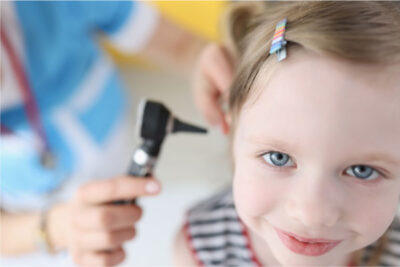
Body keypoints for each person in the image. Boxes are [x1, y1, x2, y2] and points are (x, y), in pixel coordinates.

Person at [0, 1, 225, 266]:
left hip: (116, 139)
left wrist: (212, 67)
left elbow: (184, 48)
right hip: (28, 214)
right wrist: (53, 229)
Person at [176, 1, 400, 266]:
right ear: (232, 125)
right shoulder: (202, 251)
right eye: (278, 157)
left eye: (363, 170)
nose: (311, 213)